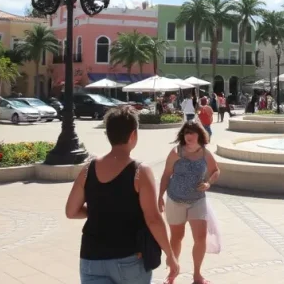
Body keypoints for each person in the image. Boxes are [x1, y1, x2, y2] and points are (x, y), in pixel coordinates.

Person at [66, 106, 178, 284]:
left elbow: (71, 211)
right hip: (129, 259)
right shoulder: (140, 172)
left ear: (108, 134)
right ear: (134, 135)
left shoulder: (88, 169)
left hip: (90, 258)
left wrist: (99, 210)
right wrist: (170, 256)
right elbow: (153, 219)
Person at [159, 122, 220, 284]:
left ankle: (197, 275)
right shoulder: (176, 152)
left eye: (192, 133)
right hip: (175, 199)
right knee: (177, 237)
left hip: (197, 201)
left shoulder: (205, 153)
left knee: (200, 237)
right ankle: (172, 274)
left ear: (199, 135)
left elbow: (216, 171)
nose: (189, 136)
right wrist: (159, 197)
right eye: (186, 133)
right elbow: (166, 175)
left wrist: (208, 183)